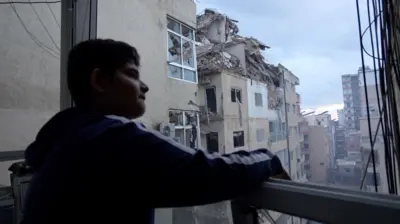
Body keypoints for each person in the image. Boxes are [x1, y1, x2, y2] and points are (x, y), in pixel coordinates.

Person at [21, 39, 290, 224]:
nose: (144, 86)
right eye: (132, 74)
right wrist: (268, 159)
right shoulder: (113, 140)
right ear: (99, 80)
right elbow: (207, 173)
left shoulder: (62, 141)